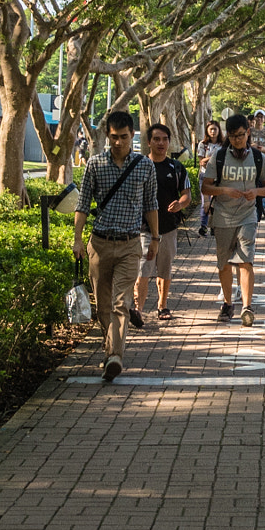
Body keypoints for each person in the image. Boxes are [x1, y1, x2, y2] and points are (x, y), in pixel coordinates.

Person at [72, 109, 159, 381]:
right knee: (103, 306)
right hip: (99, 243)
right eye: (113, 137)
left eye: (123, 137)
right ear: (106, 136)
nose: (118, 142)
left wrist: (155, 238)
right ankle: (109, 349)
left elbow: (151, 205)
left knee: (121, 303)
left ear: (132, 134)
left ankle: (115, 357)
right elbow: (83, 204)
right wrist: (77, 238)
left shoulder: (145, 165)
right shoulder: (95, 164)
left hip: (130, 244)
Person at [202, 113, 265, 325]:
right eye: (232, 136)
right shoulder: (219, 157)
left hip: (247, 216)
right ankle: (227, 302)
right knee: (224, 264)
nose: (237, 140)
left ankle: (247, 307)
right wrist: (223, 190)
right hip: (222, 217)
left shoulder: (259, 158)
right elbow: (205, 186)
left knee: (246, 261)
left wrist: (256, 193)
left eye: (240, 135)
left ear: (247, 133)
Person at [135, 122, 191, 320]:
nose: (161, 143)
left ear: (169, 142)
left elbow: (187, 194)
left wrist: (180, 204)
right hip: (143, 228)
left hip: (168, 227)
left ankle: (162, 306)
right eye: (156, 139)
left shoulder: (176, 168)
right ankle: (138, 310)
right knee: (143, 268)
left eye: (164, 139)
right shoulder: (139, 166)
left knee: (165, 268)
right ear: (149, 142)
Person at [195, 118, 224, 236]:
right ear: (207, 130)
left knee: (216, 203)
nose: (213, 131)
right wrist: (213, 157)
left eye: (215, 129)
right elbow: (201, 162)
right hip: (205, 176)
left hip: (218, 177)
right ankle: (203, 226)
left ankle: (213, 226)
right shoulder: (203, 144)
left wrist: (212, 159)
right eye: (211, 129)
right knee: (205, 203)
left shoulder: (223, 144)